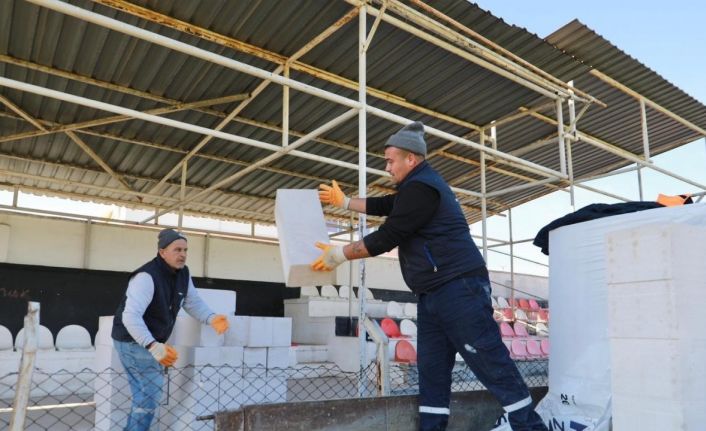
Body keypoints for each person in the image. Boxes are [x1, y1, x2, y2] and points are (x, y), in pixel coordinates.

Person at [311, 122, 548, 431]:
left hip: (458, 287)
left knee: (489, 361)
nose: (387, 167)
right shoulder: (413, 189)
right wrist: (345, 202)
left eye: (390, 160)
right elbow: (386, 205)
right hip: (432, 293)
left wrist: (339, 254)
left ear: (412, 159)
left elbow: (389, 235)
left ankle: (530, 427)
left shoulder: (424, 187)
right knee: (432, 370)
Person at [111, 228, 230, 431]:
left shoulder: (183, 273)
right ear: (162, 251)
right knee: (149, 394)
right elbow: (130, 316)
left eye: (185, 250)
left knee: (146, 395)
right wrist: (152, 345)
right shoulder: (146, 277)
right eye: (177, 249)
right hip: (132, 340)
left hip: (151, 341)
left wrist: (211, 318)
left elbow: (192, 302)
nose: (182, 254)